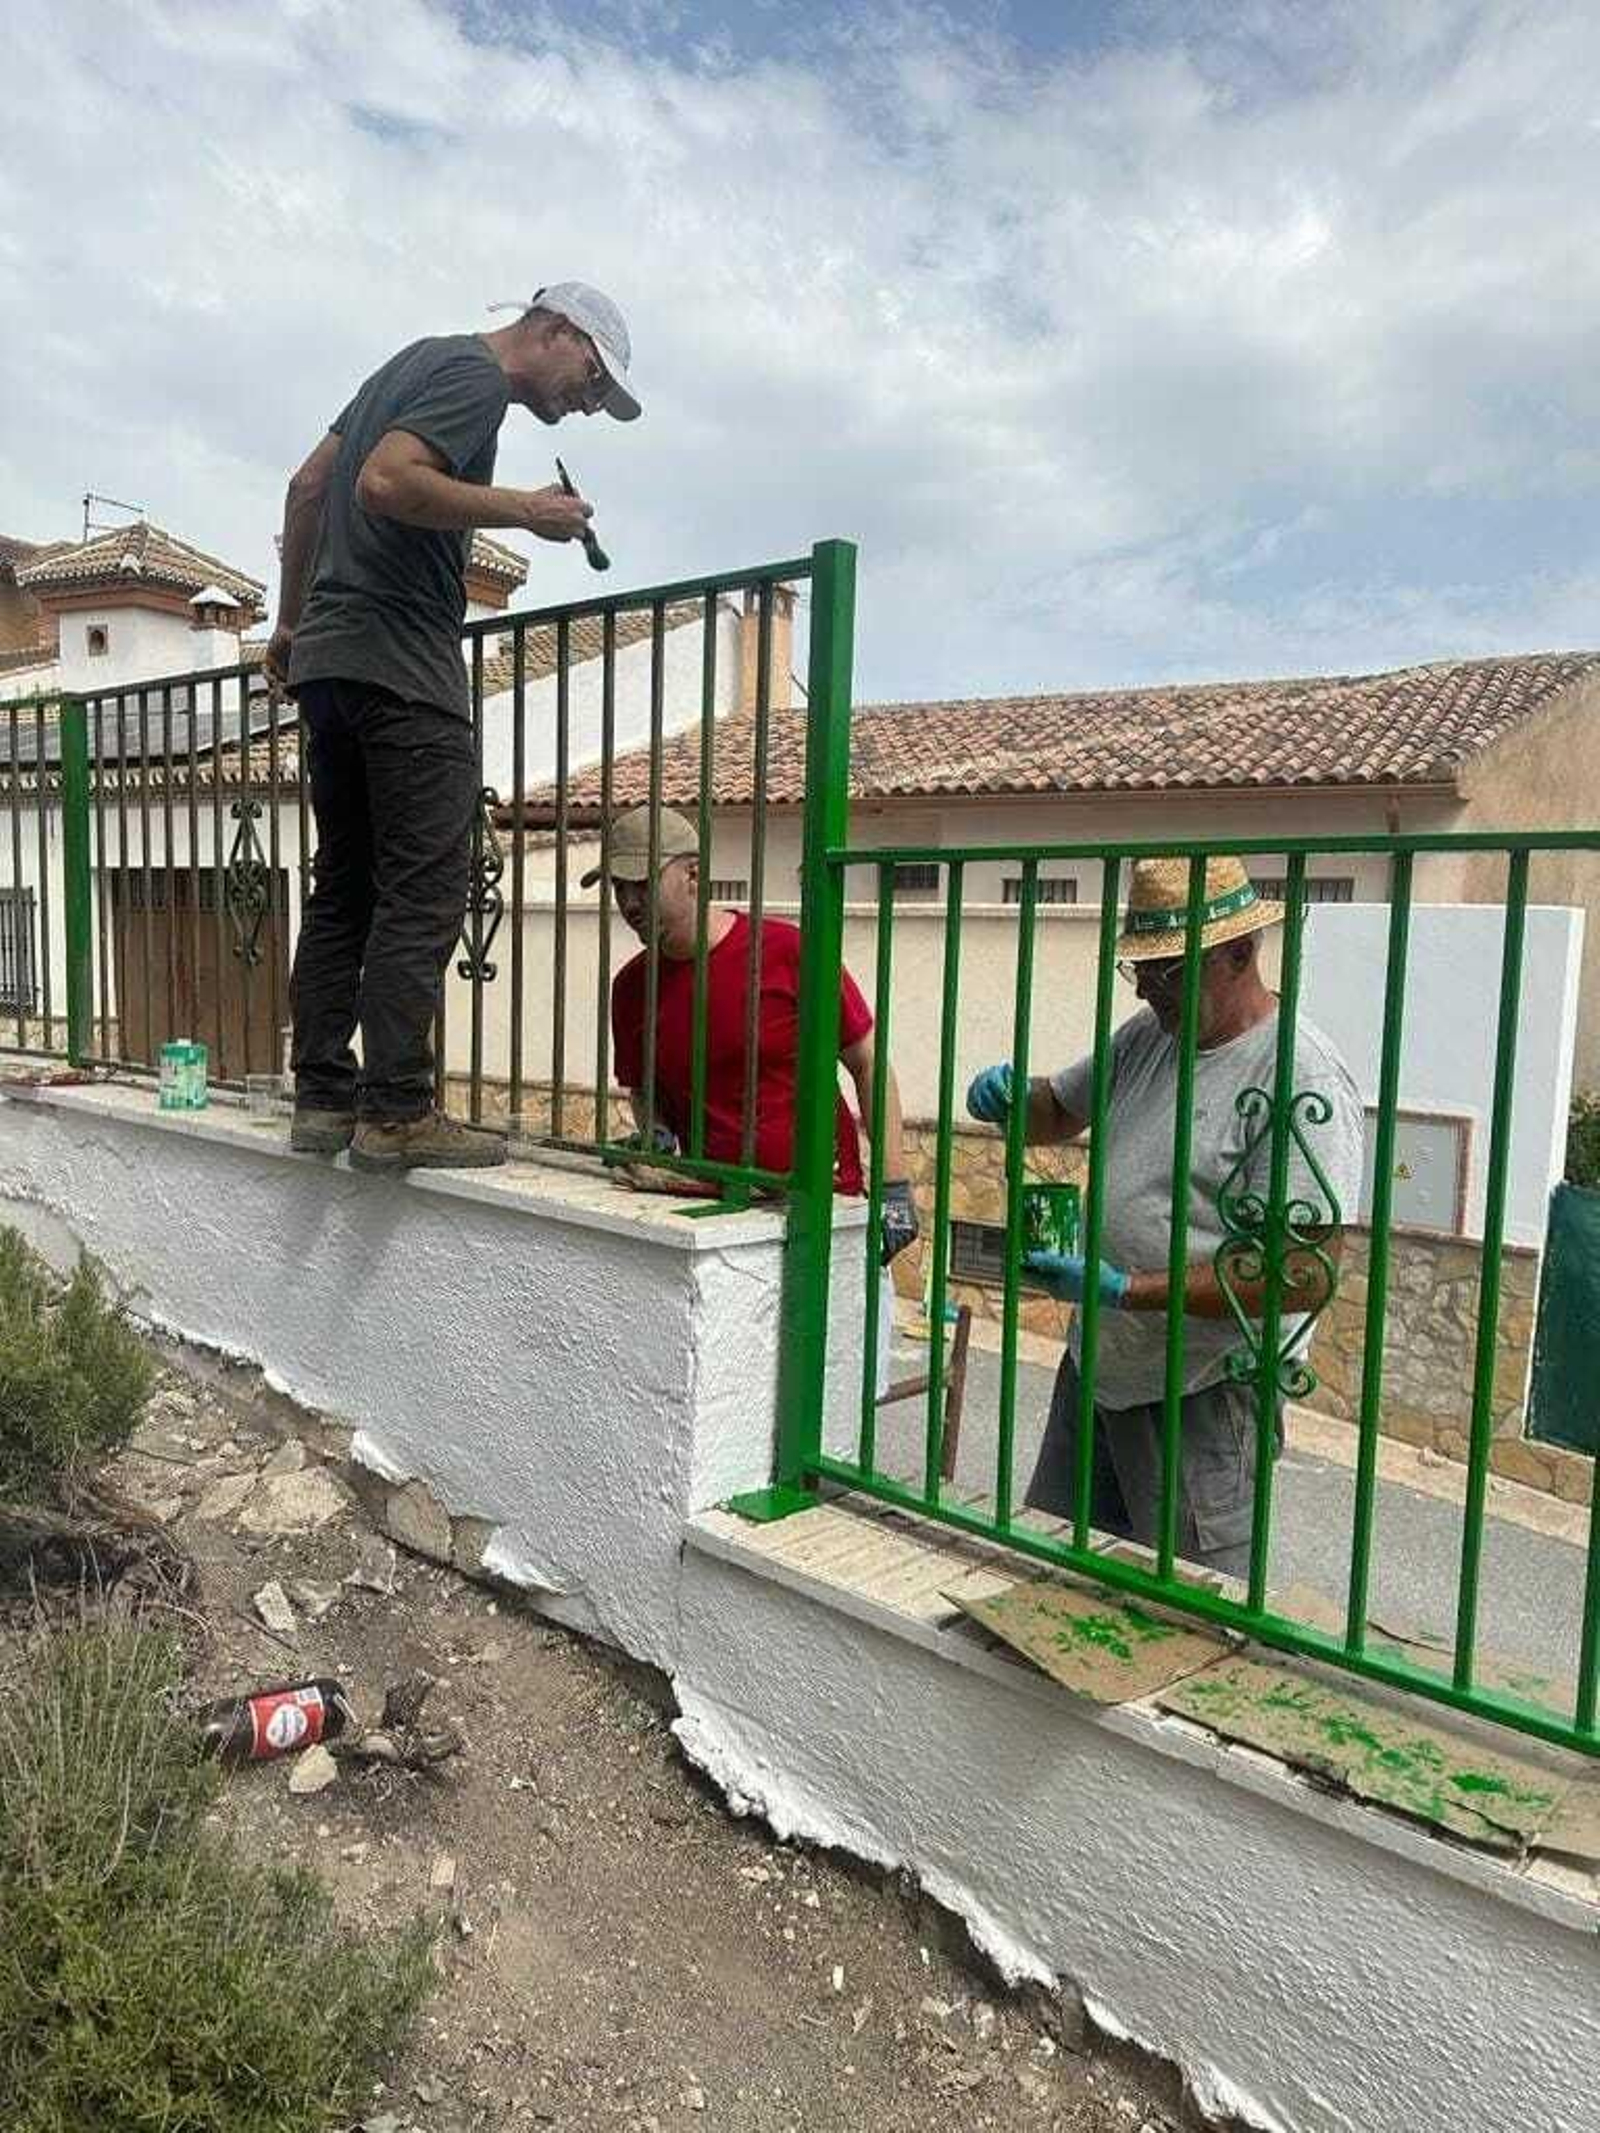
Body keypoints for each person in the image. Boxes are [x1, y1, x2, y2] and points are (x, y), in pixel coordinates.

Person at [267, 282, 640, 1174]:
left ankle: (323, 1097)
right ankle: (396, 1109)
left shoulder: (408, 362)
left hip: (332, 660)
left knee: (345, 883)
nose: (585, 402)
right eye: (592, 378)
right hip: (402, 664)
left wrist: (290, 624)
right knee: (425, 886)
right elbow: (385, 481)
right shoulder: (474, 380)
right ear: (556, 330)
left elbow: (308, 484)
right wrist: (529, 512)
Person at [966, 855, 1364, 1580]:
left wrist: (1128, 1288)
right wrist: (1007, 1099)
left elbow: (1306, 1272)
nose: (1149, 987)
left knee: (1189, 1614)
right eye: (1140, 968)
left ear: (1241, 952)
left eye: (1168, 968)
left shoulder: (1297, 1074)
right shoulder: (1151, 1035)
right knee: (1056, 1580)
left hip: (1202, 1388)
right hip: (1099, 1370)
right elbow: (1056, 1110)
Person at [592, 807, 919, 1321]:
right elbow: (642, 1087)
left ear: (693, 874)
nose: (629, 902)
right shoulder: (631, 989)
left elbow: (868, 1061)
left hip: (819, 1209)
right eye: (618, 886)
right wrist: (655, 1140)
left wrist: (895, 1188)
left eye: (641, 883)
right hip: (720, 1222)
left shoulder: (789, 953)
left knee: (831, 1389)